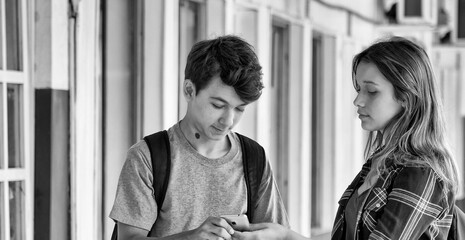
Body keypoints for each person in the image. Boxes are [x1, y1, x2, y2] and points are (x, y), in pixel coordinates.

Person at [233, 36, 459, 239]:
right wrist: (284, 236)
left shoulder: (422, 172)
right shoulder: (380, 161)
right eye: (358, 89)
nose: (358, 101)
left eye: (371, 91)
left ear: (406, 97)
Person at [109, 35, 289, 240]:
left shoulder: (254, 159)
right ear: (189, 90)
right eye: (218, 105)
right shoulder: (147, 157)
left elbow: (278, 235)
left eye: (239, 108)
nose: (228, 121)